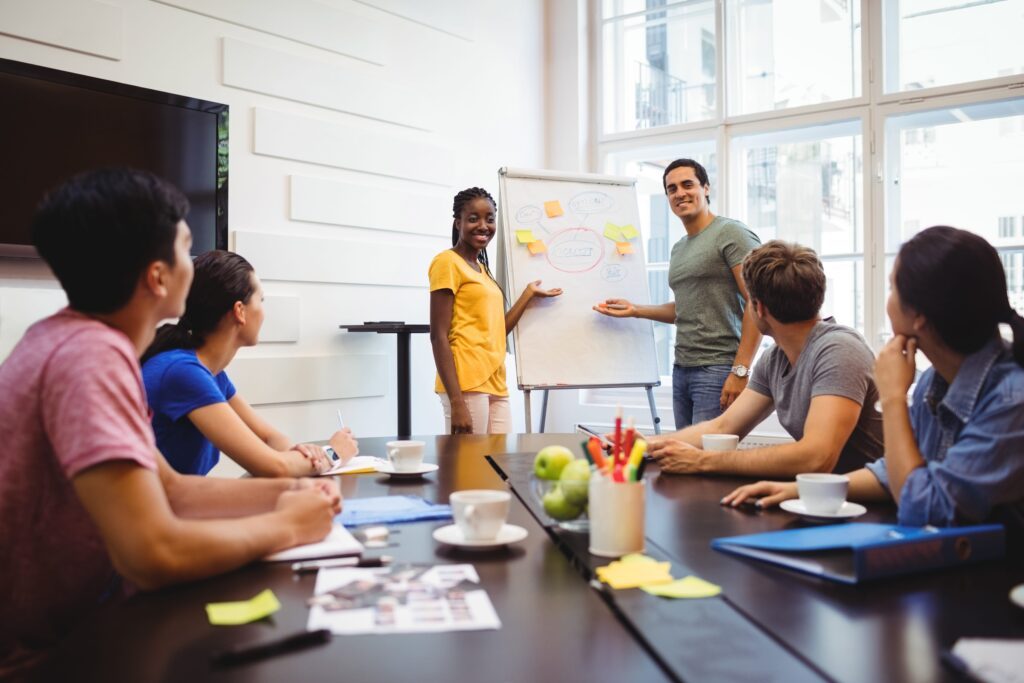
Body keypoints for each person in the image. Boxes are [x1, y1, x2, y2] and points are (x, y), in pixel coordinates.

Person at [0, 169, 339, 676]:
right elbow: (151, 553)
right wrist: (284, 525)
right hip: (58, 655)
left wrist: (287, 498)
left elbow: (172, 490)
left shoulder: (67, 341)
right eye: (186, 247)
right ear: (158, 277)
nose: (195, 263)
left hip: (87, 625)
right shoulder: (90, 358)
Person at [724, 226, 1024, 537]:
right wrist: (801, 490)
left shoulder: (1011, 400)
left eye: (892, 288)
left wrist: (894, 398)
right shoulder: (935, 381)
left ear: (919, 315)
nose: (888, 299)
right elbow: (890, 473)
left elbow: (922, 508)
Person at [645, 240, 883, 477]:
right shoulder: (775, 358)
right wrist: (645, 443)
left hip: (880, 508)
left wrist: (704, 460)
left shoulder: (840, 351)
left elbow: (816, 457)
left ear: (758, 308)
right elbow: (723, 427)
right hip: (827, 497)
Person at [141, 250, 357, 476]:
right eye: (260, 300)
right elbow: (274, 466)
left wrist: (303, 454)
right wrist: (333, 454)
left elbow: (269, 437)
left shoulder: (210, 374)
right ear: (240, 311)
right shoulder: (183, 373)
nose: (264, 312)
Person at [594, 158, 762, 429]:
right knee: (685, 458)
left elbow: (758, 302)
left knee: (706, 459)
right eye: (672, 189)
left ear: (705, 188)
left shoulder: (731, 233)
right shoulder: (680, 247)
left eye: (687, 185)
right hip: (682, 369)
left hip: (718, 368)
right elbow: (686, 307)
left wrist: (740, 371)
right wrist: (635, 310)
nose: (680, 193)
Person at [429, 187, 562, 434]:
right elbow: (438, 335)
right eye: (473, 219)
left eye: (490, 219)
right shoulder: (447, 262)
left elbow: (498, 330)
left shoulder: (482, 270)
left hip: (495, 380)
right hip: (465, 383)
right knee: (468, 467)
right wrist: (457, 401)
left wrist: (528, 295)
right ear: (458, 223)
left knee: (499, 464)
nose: (483, 225)